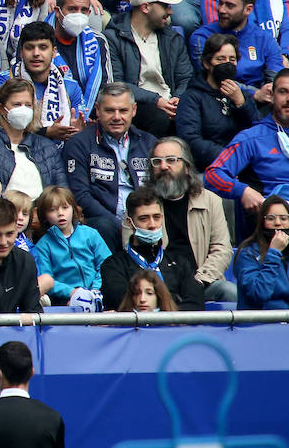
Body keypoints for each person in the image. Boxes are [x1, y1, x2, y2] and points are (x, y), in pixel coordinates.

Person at [0, 75, 67, 234]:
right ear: (3, 109)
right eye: (17, 104)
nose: (23, 109)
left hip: (41, 228)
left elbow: (61, 192)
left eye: (28, 105)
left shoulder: (47, 147)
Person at [62, 82, 157, 253]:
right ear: (97, 110)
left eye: (123, 110)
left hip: (146, 219)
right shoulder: (79, 144)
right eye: (109, 110)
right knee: (102, 226)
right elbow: (80, 196)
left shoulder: (149, 143)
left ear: (134, 110)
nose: (116, 117)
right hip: (104, 223)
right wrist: (120, 225)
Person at [149, 136, 236, 303]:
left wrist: (198, 281)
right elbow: (130, 247)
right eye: (157, 161)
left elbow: (222, 249)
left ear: (186, 167)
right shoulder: (141, 204)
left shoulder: (211, 201)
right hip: (159, 287)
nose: (163, 166)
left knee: (229, 291)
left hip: (202, 282)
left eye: (171, 160)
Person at [104, 0, 194, 136]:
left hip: (170, 104)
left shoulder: (173, 38)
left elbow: (186, 77)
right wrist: (156, 100)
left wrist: (178, 98)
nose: (171, 12)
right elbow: (116, 83)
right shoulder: (113, 38)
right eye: (165, 6)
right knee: (159, 118)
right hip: (136, 105)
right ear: (145, 7)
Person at [100, 186, 205, 310]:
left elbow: (196, 303)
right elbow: (122, 305)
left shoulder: (179, 262)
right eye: (144, 219)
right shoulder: (113, 265)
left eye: (156, 217)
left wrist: (159, 314)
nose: (152, 225)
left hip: (175, 329)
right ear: (130, 223)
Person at [206, 68, 289, 214]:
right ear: (272, 96)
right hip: (266, 226)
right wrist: (243, 191)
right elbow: (213, 175)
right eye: (283, 91)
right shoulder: (251, 138)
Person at [176, 33, 261, 169]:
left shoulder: (241, 95)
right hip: (209, 167)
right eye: (221, 59)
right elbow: (190, 140)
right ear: (206, 63)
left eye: (232, 59)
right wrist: (229, 157)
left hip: (245, 164)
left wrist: (241, 104)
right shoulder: (191, 97)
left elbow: (258, 130)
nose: (227, 64)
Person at [189, 0, 285, 87]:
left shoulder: (264, 39)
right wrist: (254, 93)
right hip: (215, 99)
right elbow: (210, 80)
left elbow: (276, 79)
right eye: (220, 3)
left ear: (248, 9)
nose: (221, 10)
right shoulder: (202, 37)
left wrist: (268, 91)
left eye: (229, 6)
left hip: (262, 100)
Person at [31, 185, 109, 306]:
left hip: (97, 295)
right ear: (44, 216)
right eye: (53, 210)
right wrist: (72, 292)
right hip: (65, 301)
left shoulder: (90, 234)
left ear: (73, 209)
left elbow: (106, 265)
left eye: (65, 207)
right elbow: (47, 279)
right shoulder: (43, 245)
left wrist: (95, 289)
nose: (60, 213)